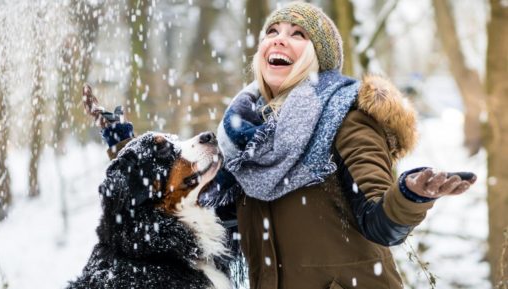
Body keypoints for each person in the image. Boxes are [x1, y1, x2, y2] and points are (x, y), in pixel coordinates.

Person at [84, 2, 476, 289]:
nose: (280, 39)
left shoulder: (347, 119)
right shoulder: (243, 136)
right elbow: (193, 211)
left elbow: (381, 223)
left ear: (317, 59)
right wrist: (128, 150)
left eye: (297, 34)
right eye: (272, 32)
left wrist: (409, 195)